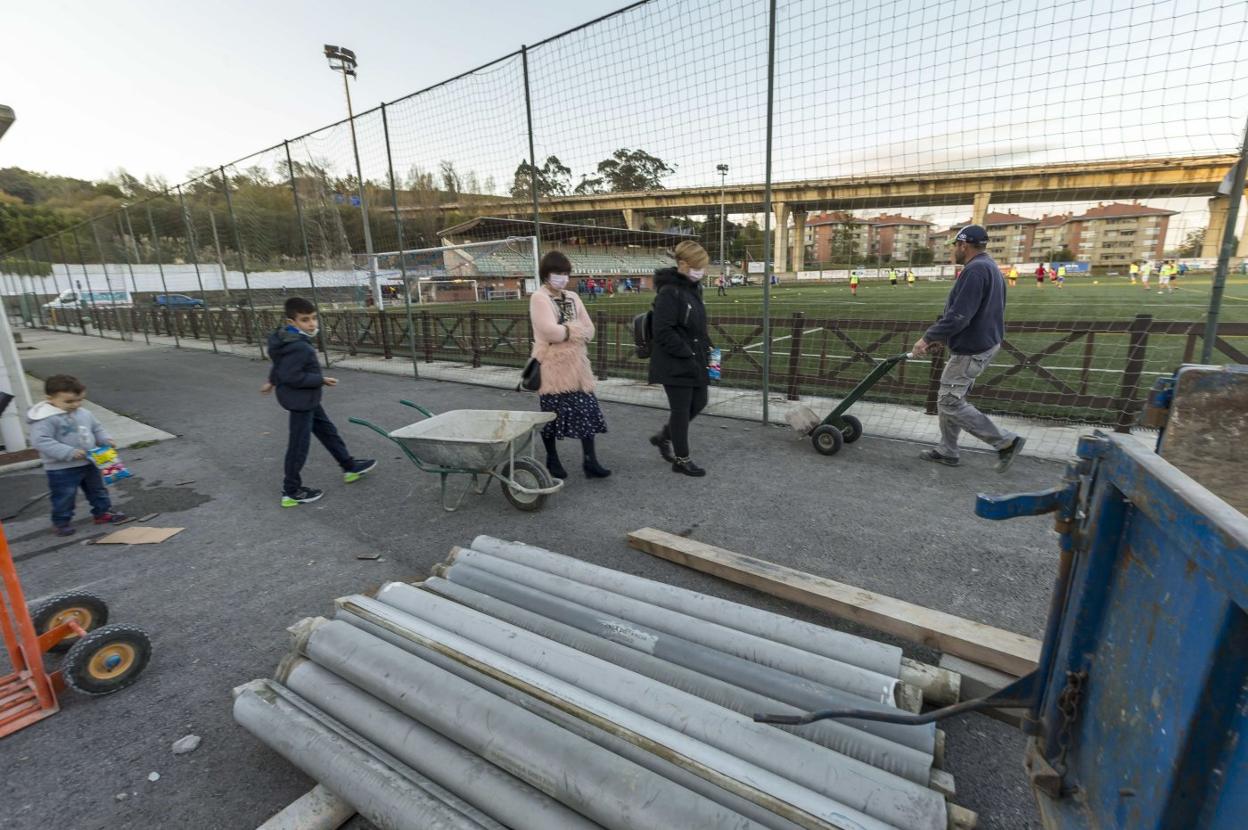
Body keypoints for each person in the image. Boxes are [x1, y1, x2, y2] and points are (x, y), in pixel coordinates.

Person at [912, 225, 1026, 472]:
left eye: (955, 245)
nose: (954, 250)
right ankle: (947, 450)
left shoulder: (975, 271)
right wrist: (943, 339)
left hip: (972, 347)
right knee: (950, 396)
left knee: (950, 401)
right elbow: (976, 312)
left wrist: (928, 337)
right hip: (982, 341)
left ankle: (1006, 442)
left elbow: (960, 315)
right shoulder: (990, 267)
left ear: (964, 245)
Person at [262, 297, 376, 507]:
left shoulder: (284, 339)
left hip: (307, 399)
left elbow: (280, 365)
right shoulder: (299, 347)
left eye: (314, 318)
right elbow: (292, 376)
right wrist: (320, 379)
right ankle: (291, 491)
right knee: (299, 445)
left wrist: (271, 381)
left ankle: (349, 466)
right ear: (292, 322)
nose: (312, 324)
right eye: (305, 320)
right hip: (301, 400)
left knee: (327, 431)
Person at [528, 251, 610, 480]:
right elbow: (548, 332)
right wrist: (575, 331)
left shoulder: (573, 297)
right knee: (551, 415)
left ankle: (590, 461)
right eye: (558, 273)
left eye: (566, 273)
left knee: (588, 411)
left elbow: (590, 330)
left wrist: (568, 333)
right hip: (552, 366)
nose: (562, 278)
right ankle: (552, 459)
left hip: (577, 366)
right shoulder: (539, 297)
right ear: (546, 274)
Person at [28, 374, 129, 536]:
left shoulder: (84, 413)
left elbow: (96, 428)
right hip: (61, 467)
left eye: (79, 400)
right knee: (64, 495)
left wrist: (104, 439)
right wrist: (69, 452)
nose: (75, 405)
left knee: (98, 490)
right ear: (50, 398)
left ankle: (102, 513)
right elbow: (41, 441)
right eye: (69, 402)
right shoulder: (45, 419)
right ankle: (61, 522)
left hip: (89, 461)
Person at [649, 240, 713, 477]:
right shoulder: (669, 292)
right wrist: (687, 353)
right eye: (698, 266)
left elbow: (698, 327)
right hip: (675, 361)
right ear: (683, 264)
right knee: (681, 410)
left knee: (700, 402)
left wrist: (709, 351)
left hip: (695, 357)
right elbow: (663, 331)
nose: (702, 271)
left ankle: (663, 437)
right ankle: (682, 459)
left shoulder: (694, 288)